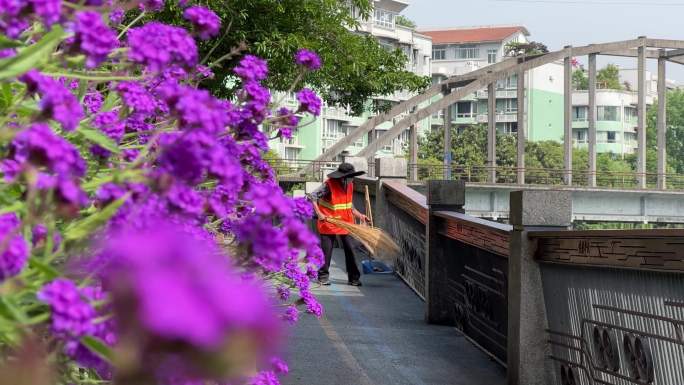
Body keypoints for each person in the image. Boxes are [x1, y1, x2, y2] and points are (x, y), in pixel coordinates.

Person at [308, 163, 368, 286]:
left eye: (352, 176)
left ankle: (353, 278)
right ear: (342, 176)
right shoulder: (328, 185)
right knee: (327, 252)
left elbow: (349, 205)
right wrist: (319, 213)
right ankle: (323, 277)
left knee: (350, 250)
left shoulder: (350, 185)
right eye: (350, 176)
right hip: (328, 223)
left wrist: (360, 215)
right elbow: (312, 196)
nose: (352, 178)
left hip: (346, 223)